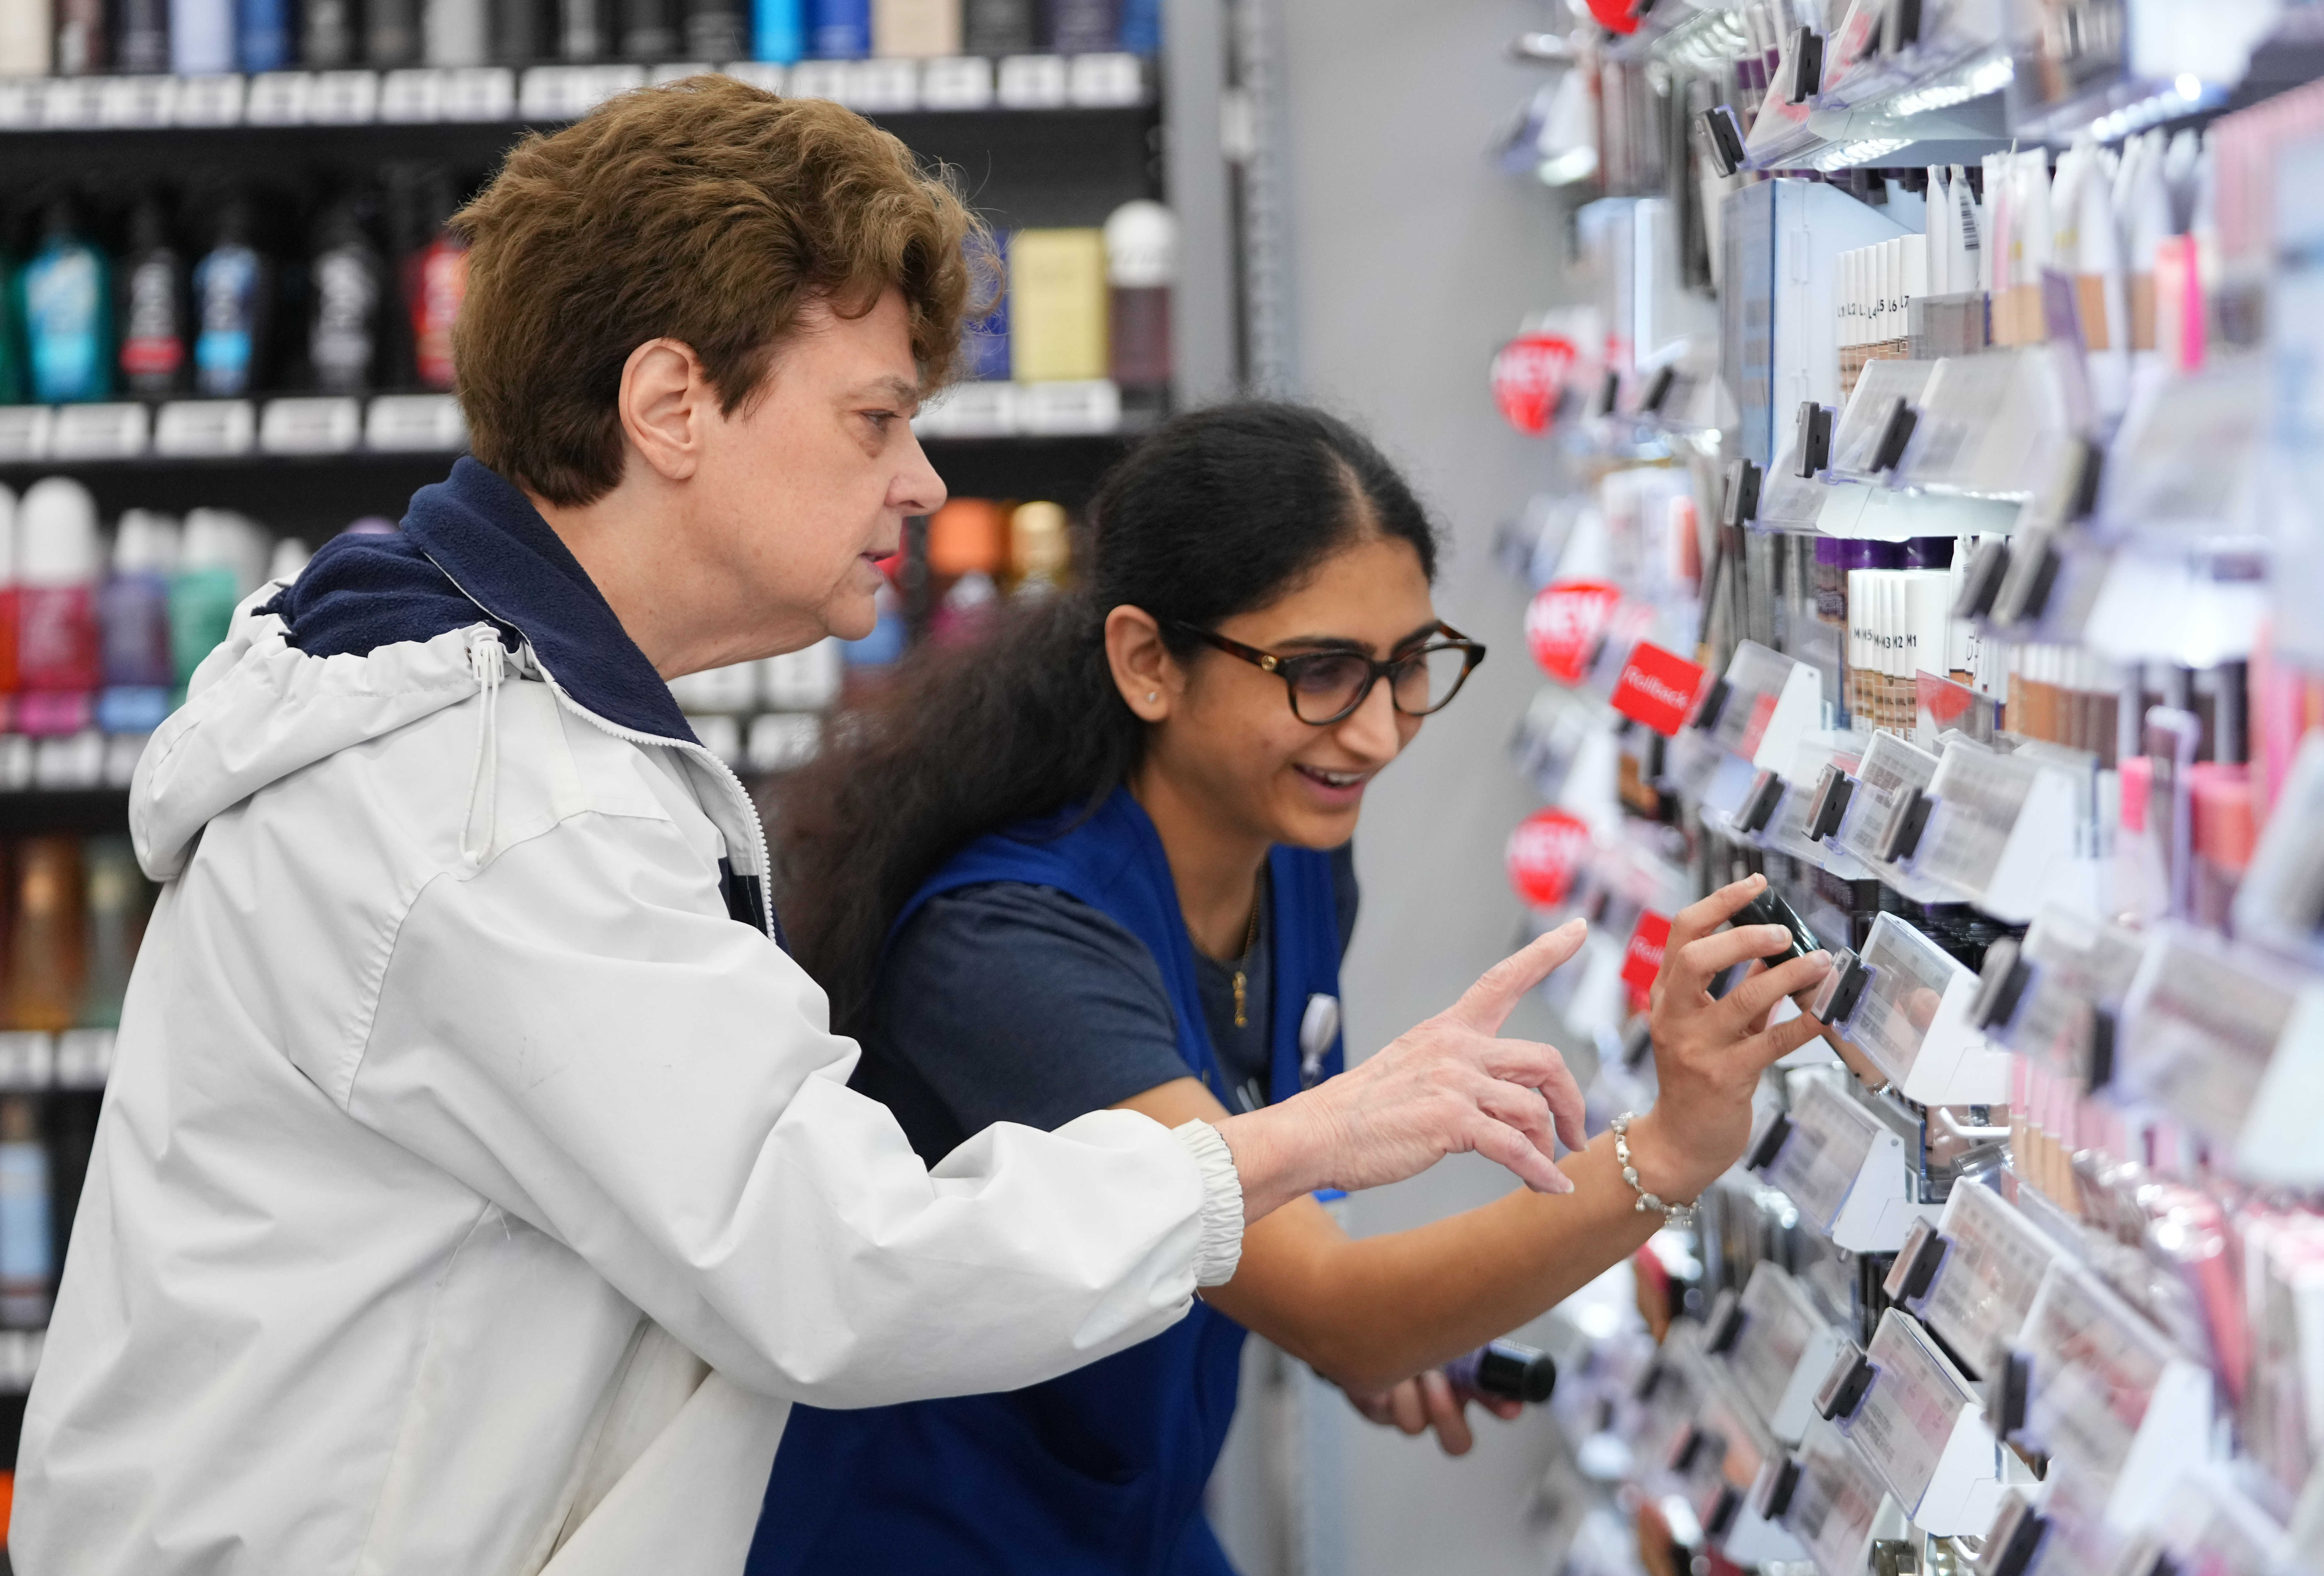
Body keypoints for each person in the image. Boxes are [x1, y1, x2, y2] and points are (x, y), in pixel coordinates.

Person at [11, 82, 1607, 1576]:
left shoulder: (526, 731)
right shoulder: (490, 806)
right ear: (673, 405)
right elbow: (840, 1267)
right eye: (874, 419)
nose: (919, 481)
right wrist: (1302, 1145)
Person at [746, 403, 1838, 1574]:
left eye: (1408, 667)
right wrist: (1668, 1149)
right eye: (1319, 674)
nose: (1374, 733)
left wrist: (1401, 1328)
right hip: (924, 1540)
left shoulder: (1298, 860)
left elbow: (1276, 1241)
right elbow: (1331, 1297)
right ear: (1147, 663)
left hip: (1133, 1516)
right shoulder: (1010, 945)